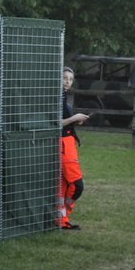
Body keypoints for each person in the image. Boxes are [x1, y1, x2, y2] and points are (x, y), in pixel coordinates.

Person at [59, 66, 89, 230]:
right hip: (63, 144)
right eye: (64, 78)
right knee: (77, 186)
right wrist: (74, 118)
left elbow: (66, 120)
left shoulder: (64, 98)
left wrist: (76, 120)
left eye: (70, 79)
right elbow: (55, 124)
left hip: (69, 143)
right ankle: (63, 217)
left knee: (64, 186)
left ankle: (61, 220)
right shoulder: (54, 98)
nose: (67, 82)